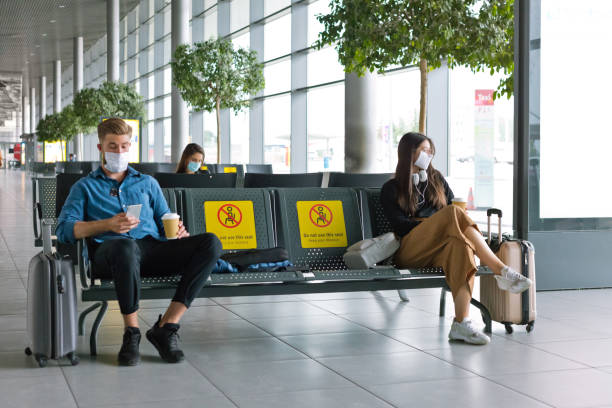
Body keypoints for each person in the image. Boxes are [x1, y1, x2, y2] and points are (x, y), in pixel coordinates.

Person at [56, 118, 222, 366]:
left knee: (210, 243)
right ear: (100, 148)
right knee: (125, 246)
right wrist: (107, 225)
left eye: (124, 146)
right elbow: (64, 230)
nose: (119, 151)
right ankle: (131, 333)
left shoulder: (147, 183)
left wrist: (177, 230)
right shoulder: (85, 187)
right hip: (110, 254)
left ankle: (167, 326)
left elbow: (166, 217)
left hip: (151, 250)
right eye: (112, 146)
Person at [381, 132, 531, 345]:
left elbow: (454, 211)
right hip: (410, 249)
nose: (428, 155)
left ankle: (461, 323)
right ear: (409, 153)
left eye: (430, 151)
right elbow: (400, 226)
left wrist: (443, 225)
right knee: (452, 214)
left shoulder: (436, 179)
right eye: (423, 150)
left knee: (461, 246)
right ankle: (501, 270)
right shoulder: (391, 188)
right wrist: (436, 224)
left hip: (439, 249)